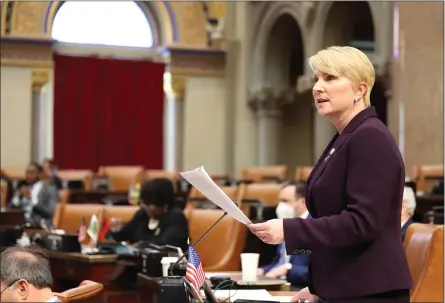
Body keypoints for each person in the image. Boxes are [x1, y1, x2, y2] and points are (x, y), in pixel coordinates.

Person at [248, 46, 412, 303]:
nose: (317, 87)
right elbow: (331, 222)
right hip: (344, 287)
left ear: (360, 89)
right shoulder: (346, 137)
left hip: (369, 292)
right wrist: (318, 287)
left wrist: (289, 230)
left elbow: (362, 223)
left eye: (330, 78)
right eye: (316, 79)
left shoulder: (370, 137)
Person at [111, 178, 189, 252]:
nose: (144, 207)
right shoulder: (143, 214)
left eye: (148, 204)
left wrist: (139, 246)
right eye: (144, 203)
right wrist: (116, 229)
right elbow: (123, 235)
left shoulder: (176, 218)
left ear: (164, 205)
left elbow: (165, 247)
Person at [257, 180, 310, 290]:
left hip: (299, 290)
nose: (281, 206)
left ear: (303, 203)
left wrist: (288, 269)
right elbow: (279, 263)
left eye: (285, 201)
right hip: (279, 285)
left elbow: (324, 273)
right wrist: (263, 270)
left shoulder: (312, 228)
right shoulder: (285, 224)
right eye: (280, 201)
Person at [10, 162, 59, 228]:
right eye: (27, 172)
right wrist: (18, 197)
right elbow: (10, 209)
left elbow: (51, 213)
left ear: (40, 174)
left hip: (39, 225)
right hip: (20, 224)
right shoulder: (23, 187)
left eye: (32, 173)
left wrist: (32, 200)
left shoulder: (50, 189)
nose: (28, 175)